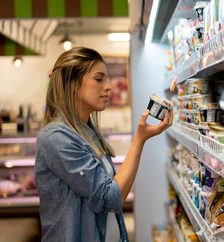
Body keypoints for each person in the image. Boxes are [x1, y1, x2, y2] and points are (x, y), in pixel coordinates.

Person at [35, 47, 173, 242]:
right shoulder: (56, 137)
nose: (108, 86)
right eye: (99, 79)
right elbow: (111, 198)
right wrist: (140, 139)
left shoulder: (87, 132)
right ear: (72, 83)